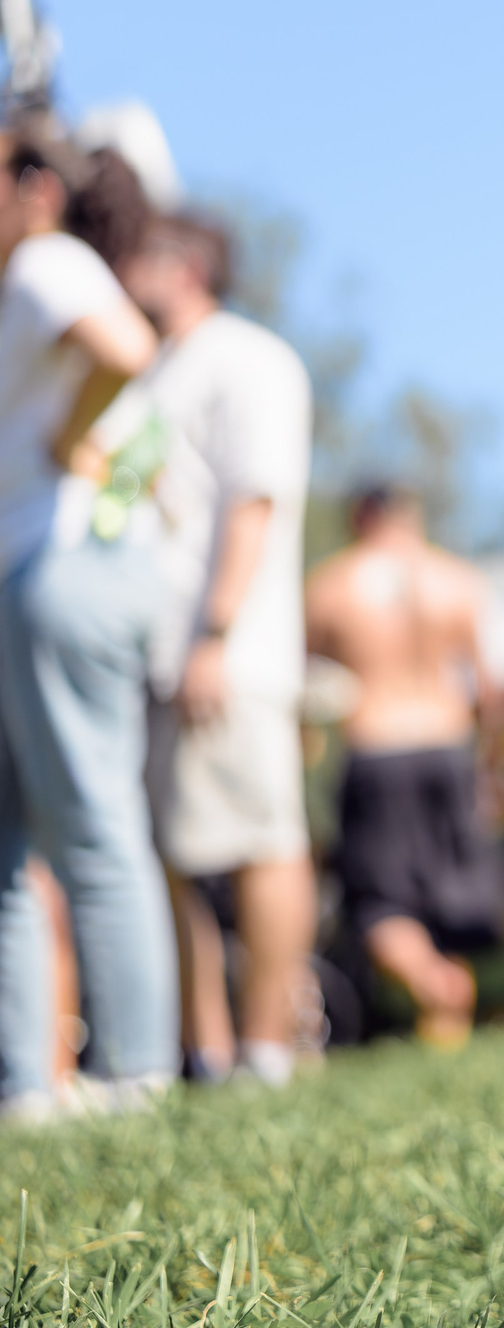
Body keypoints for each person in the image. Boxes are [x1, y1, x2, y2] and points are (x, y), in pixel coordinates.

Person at [118, 209, 316, 1087]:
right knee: (176, 860)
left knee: (261, 842)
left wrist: (216, 634)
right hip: (161, 657)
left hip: (228, 655)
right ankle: (211, 1055)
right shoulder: (160, 370)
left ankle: (267, 1051)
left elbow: (254, 499)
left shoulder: (247, 357)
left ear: (185, 265)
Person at [0, 130, 174, 1118]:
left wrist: (71, 436)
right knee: (13, 852)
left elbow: (125, 348)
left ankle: (139, 1075)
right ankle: (30, 1088)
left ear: (32, 187)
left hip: (57, 568)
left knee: (94, 826)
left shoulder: (47, 263)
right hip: (24, 574)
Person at [304, 484, 504, 1046]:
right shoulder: (457, 579)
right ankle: (446, 1021)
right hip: (449, 745)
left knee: (380, 902)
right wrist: (495, 770)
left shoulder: (331, 586)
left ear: (360, 517)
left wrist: (307, 759)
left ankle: (434, 985)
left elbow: (304, 688)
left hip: (376, 750)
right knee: (451, 898)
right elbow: (494, 690)